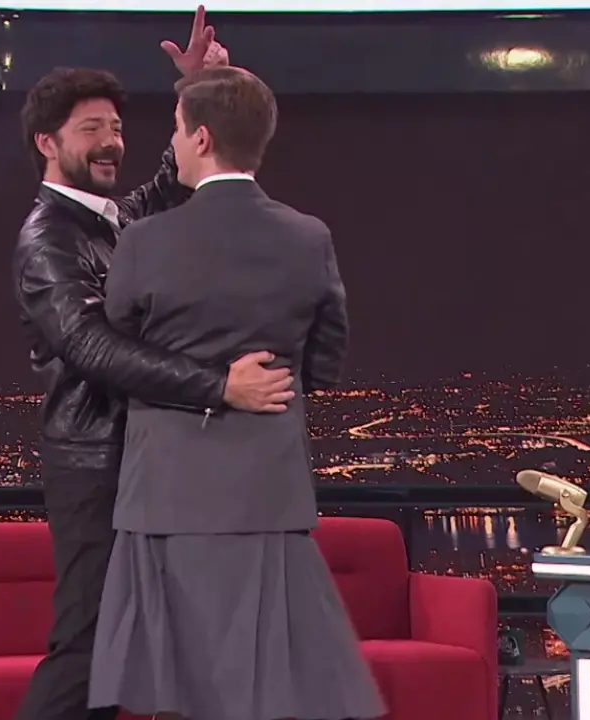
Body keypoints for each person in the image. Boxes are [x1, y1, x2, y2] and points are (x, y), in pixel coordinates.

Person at [11, 12, 299, 720]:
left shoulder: (108, 220)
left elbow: (168, 189)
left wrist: (198, 89)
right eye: (91, 129)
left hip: (144, 462)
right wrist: (220, 387)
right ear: (48, 143)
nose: (112, 141)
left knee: (150, 647)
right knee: (89, 647)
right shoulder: (48, 239)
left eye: (115, 127)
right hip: (96, 470)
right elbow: (92, 348)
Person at [87, 67, 387, 720]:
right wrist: (252, 387)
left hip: (166, 494)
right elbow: (325, 362)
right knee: (268, 690)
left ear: (199, 138)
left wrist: (202, 387)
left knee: (178, 689)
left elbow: (119, 359)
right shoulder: (309, 237)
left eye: (175, 129)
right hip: (266, 492)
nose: (173, 141)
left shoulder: (143, 240)